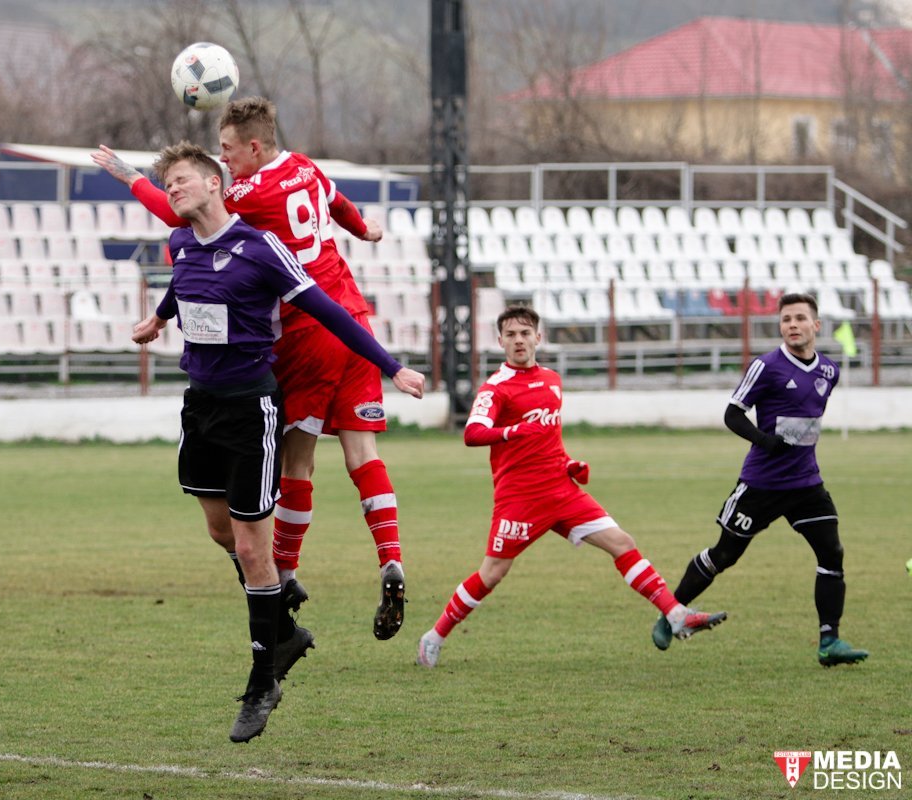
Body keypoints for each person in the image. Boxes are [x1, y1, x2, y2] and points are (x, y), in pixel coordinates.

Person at [132, 142, 424, 742]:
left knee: (254, 547)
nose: (172, 190)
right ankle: (283, 623)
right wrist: (159, 319)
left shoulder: (263, 249)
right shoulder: (182, 243)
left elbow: (330, 312)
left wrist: (392, 367)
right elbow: (183, 283)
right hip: (201, 407)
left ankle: (264, 680)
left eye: (180, 180)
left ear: (215, 184)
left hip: (252, 410)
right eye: (168, 183)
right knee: (221, 534)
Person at [93, 96, 409, 640]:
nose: (224, 161)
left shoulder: (248, 194)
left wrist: (128, 175)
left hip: (306, 335)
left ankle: (283, 576)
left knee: (296, 464)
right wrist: (367, 233)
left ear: (254, 147)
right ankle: (391, 556)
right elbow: (340, 206)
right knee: (363, 452)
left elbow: (179, 215)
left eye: (228, 151)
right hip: (353, 318)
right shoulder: (306, 166)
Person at [416, 305, 726, 669]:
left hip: (562, 490)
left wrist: (568, 463)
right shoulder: (496, 388)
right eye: (511, 334)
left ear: (538, 337)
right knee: (492, 574)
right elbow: (472, 433)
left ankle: (674, 614)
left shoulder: (552, 380)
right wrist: (513, 431)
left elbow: (549, 439)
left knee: (622, 542)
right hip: (521, 499)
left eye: (525, 333)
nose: (519, 340)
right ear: (500, 341)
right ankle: (433, 637)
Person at [653, 293, 868, 668]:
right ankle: (671, 616)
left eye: (801, 318)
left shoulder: (830, 371)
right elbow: (732, 414)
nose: (793, 325)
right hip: (761, 485)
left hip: (806, 485)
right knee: (724, 555)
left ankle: (829, 641)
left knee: (832, 552)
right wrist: (764, 440)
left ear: (816, 325)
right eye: (786, 320)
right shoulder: (766, 366)